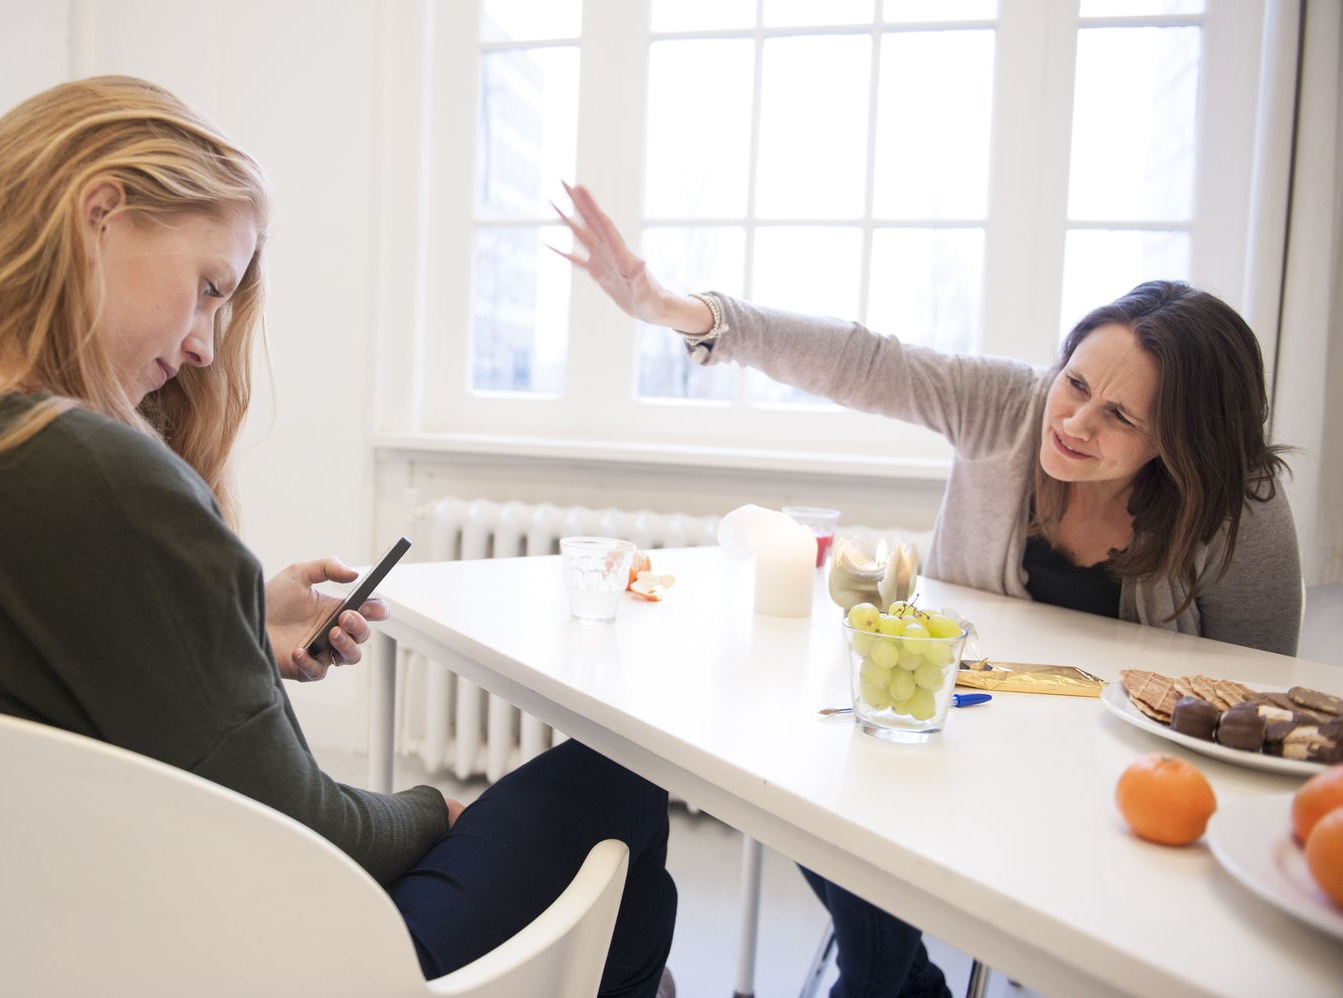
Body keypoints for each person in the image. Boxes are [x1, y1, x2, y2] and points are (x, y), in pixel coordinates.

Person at [0, 79, 676, 998]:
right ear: (101, 216)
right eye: (207, 288)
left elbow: (59, 682)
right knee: (616, 783)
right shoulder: (93, 471)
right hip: (261, 964)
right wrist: (436, 812)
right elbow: (311, 831)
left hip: (57, 949)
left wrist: (233, 620)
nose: (204, 345)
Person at [554, 182, 1301, 998]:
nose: (1075, 422)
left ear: (1179, 442)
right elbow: (864, 361)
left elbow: (1253, 699)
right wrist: (681, 309)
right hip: (959, 728)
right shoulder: (1009, 406)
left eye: (1121, 416)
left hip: (1111, 780)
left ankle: (889, 983)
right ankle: (895, 980)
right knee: (806, 767)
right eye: (1077, 382)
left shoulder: (1236, 507)